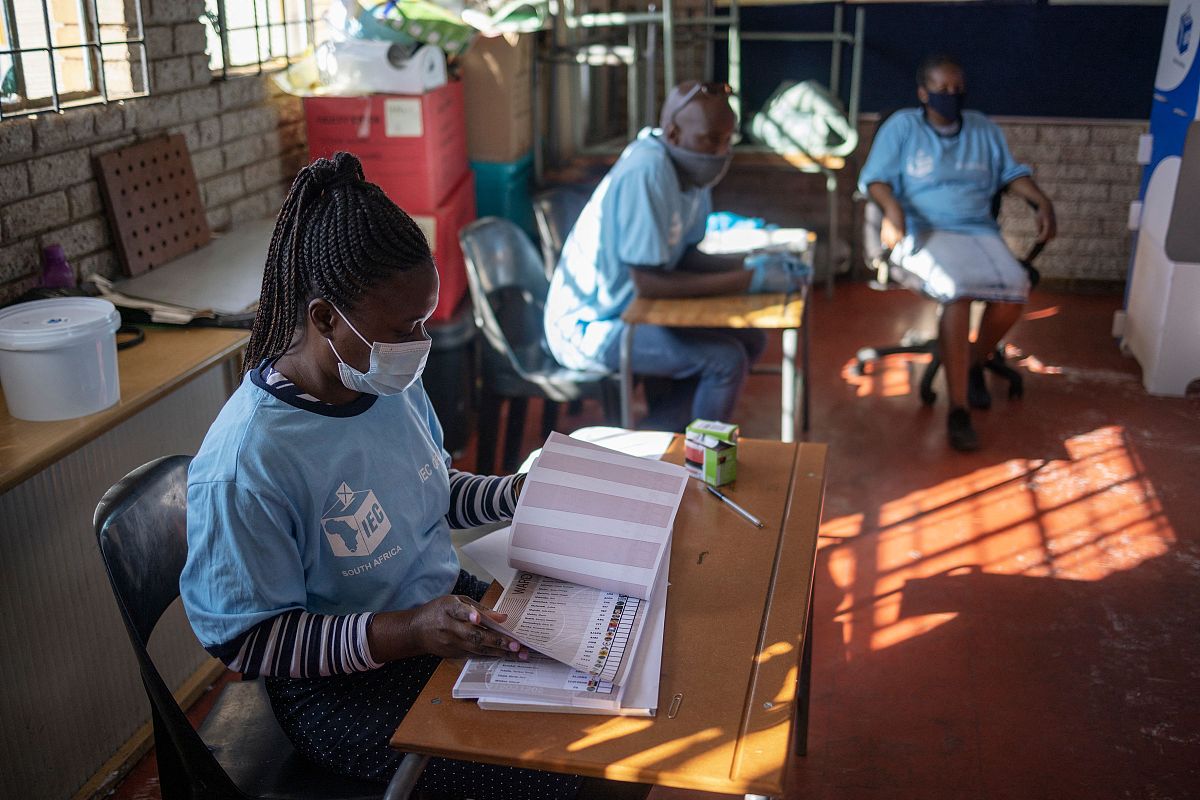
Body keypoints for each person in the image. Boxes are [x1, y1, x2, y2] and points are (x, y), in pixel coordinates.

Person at [180, 152, 585, 798]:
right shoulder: (248, 462)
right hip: (340, 691)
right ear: (323, 319)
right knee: (555, 774)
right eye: (405, 328)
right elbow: (251, 640)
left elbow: (429, 490)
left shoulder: (381, 377)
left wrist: (514, 493)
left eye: (423, 321)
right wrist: (411, 630)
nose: (420, 342)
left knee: (598, 706)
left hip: (437, 614)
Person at [544, 81, 801, 432]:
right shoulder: (648, 170)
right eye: (710, 140)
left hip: (634, 312)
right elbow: (648, 283)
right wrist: (749, 280)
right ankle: (688, 464)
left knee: (753, 339)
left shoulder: (692, 172)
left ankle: (666, 433)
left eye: (728, 141)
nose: (720, 152)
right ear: (673, 133)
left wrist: (752, 264)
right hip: (592, 326)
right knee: (724, 361)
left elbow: (686, 256)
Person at [859, 54, 1057, 452]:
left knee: (1015, 288)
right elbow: (875, 179)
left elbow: (1010, 173)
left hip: (976, 230)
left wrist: (1042, 203)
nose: (951, 96)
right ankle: (959, 411)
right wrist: (893, 210)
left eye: (957, 89)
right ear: (922, 93)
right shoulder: (903, 128)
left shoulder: (982, 129)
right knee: (957, 289)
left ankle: (972, 361)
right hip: (923, 229)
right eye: (941, 89)